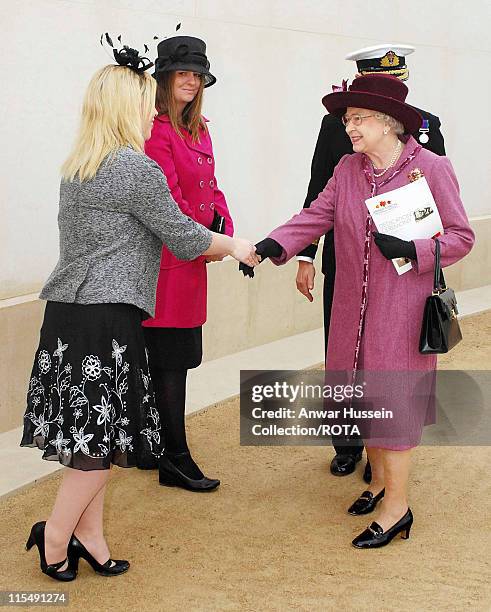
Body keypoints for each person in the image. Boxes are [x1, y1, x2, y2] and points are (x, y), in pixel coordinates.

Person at [21, 42, 258, 581]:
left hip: (67, 316)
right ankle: (54, 536)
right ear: (126, 106)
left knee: (94, 440)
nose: (152, 107)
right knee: (96, 446)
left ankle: (91, 537)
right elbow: (182, 234)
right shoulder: (133, 168)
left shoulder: (77, 166)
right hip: (106, 318)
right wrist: (240, 246)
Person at [241, 74, 474, 547]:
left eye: (359, 118)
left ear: (388, 123)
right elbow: (316, 214)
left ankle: (397, 507)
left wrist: (412, 246)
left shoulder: (429, 168)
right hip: (351, 307)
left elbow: (461, 237)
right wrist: (273, 244)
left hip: (402, 312)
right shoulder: (348, 169)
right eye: (347, 119)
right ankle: (377, 483)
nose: (349, 126)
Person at [295, 45, 446, 483]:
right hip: (347, 262)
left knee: (389, 362)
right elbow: (318, 190)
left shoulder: (426, 128)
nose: (352, 126)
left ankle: (384, 462)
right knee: (344, 355)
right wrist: (305, 254)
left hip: (401, 268)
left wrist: (426, 260)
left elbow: (439, 212)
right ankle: (348, 444)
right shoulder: (337, 131)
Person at [140, 36, 233, 492]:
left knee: (177, 358)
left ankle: (155, 447)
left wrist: (225, 230)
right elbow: (169, 205)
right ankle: (173, 457)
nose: (192, 81)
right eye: (184, 73)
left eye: (198, 74)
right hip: (166, 266)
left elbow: (211, 189)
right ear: (164, 79)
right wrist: (213, 241)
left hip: (191, 259)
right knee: (169, 361)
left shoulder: (199, 128)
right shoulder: (156, 132)